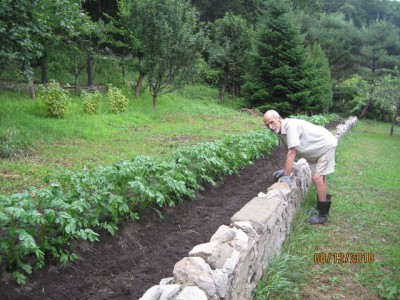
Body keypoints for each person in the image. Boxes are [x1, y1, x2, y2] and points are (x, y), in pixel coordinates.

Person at [263, 110, 338, 225]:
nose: (270, 127)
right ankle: (320, 208)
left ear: (279, 118)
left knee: (317, 178)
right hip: (316, 149)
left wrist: (287, 176)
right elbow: (291, 151)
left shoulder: (290, 126)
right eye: (267, 125)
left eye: (272, 122)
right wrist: (285, 170)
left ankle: (323, 215)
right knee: (321, 179)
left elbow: (292, 152)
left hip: (325, 146)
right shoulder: (281, 132)